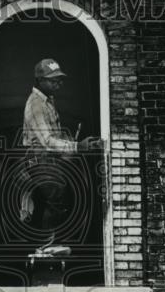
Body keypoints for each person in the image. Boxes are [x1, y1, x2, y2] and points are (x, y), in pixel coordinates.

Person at [21, 58, 104, 235]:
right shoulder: (36, 104)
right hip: (39, 159)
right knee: (56, 197)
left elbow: (53, 136)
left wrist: (69, 141)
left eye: (59, 79)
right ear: (40, 80)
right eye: (53, 80)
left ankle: (46, 244)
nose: (58, 83)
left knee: (56, 199)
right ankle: (48, 245)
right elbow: (46, 141)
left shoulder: (48, 100)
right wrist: (77, 146)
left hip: (47, 158)